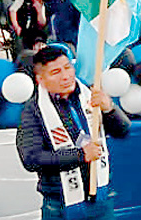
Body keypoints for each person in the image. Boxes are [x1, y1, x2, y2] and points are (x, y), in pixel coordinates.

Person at [17, 45, 130, 220]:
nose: (65, 76)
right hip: (60, 205)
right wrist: (80, 155)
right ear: (40, 79)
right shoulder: (34, 110)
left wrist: (110, 110)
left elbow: (123, 131)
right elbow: (32, 159)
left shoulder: (89, 94)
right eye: (55, 72)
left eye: (68, 67)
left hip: (101, 197)